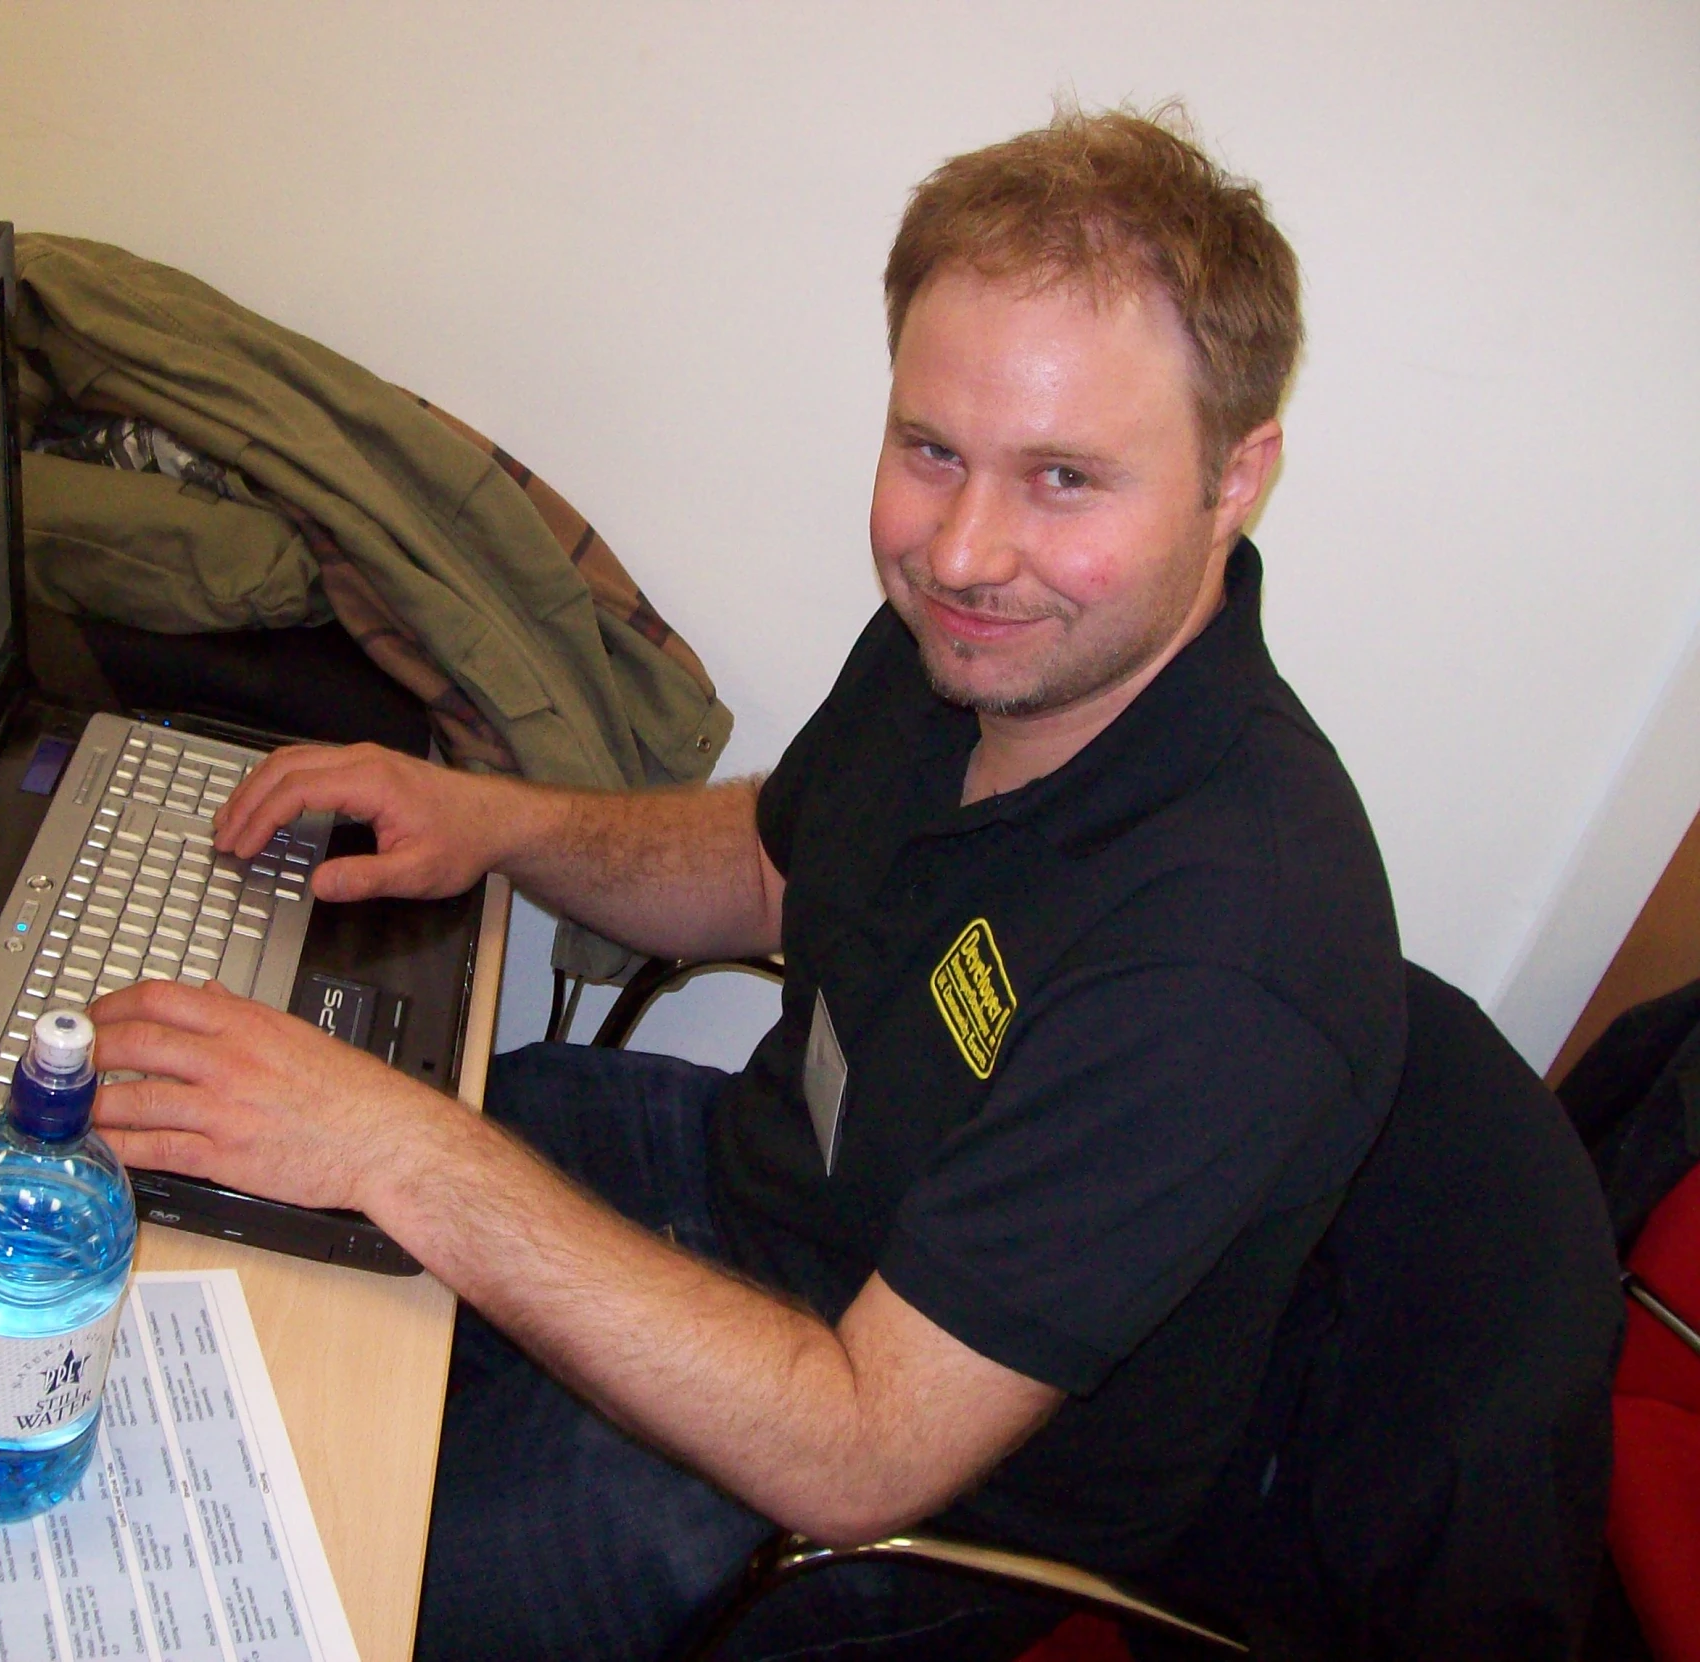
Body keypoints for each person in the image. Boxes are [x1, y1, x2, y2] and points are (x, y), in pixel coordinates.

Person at [90, 103, 1405, 1661]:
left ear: (1235, 475)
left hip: (880, 1488)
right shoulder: (980, 652)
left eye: (1065, 477)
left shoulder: (1227, 953)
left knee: (262, 1589)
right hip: (744, 1185)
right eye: (932, 450)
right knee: (199, 1205)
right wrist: (492, 817)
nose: (966, 549)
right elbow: (775, 868)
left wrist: (405, 1157)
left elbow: (861, 1451)